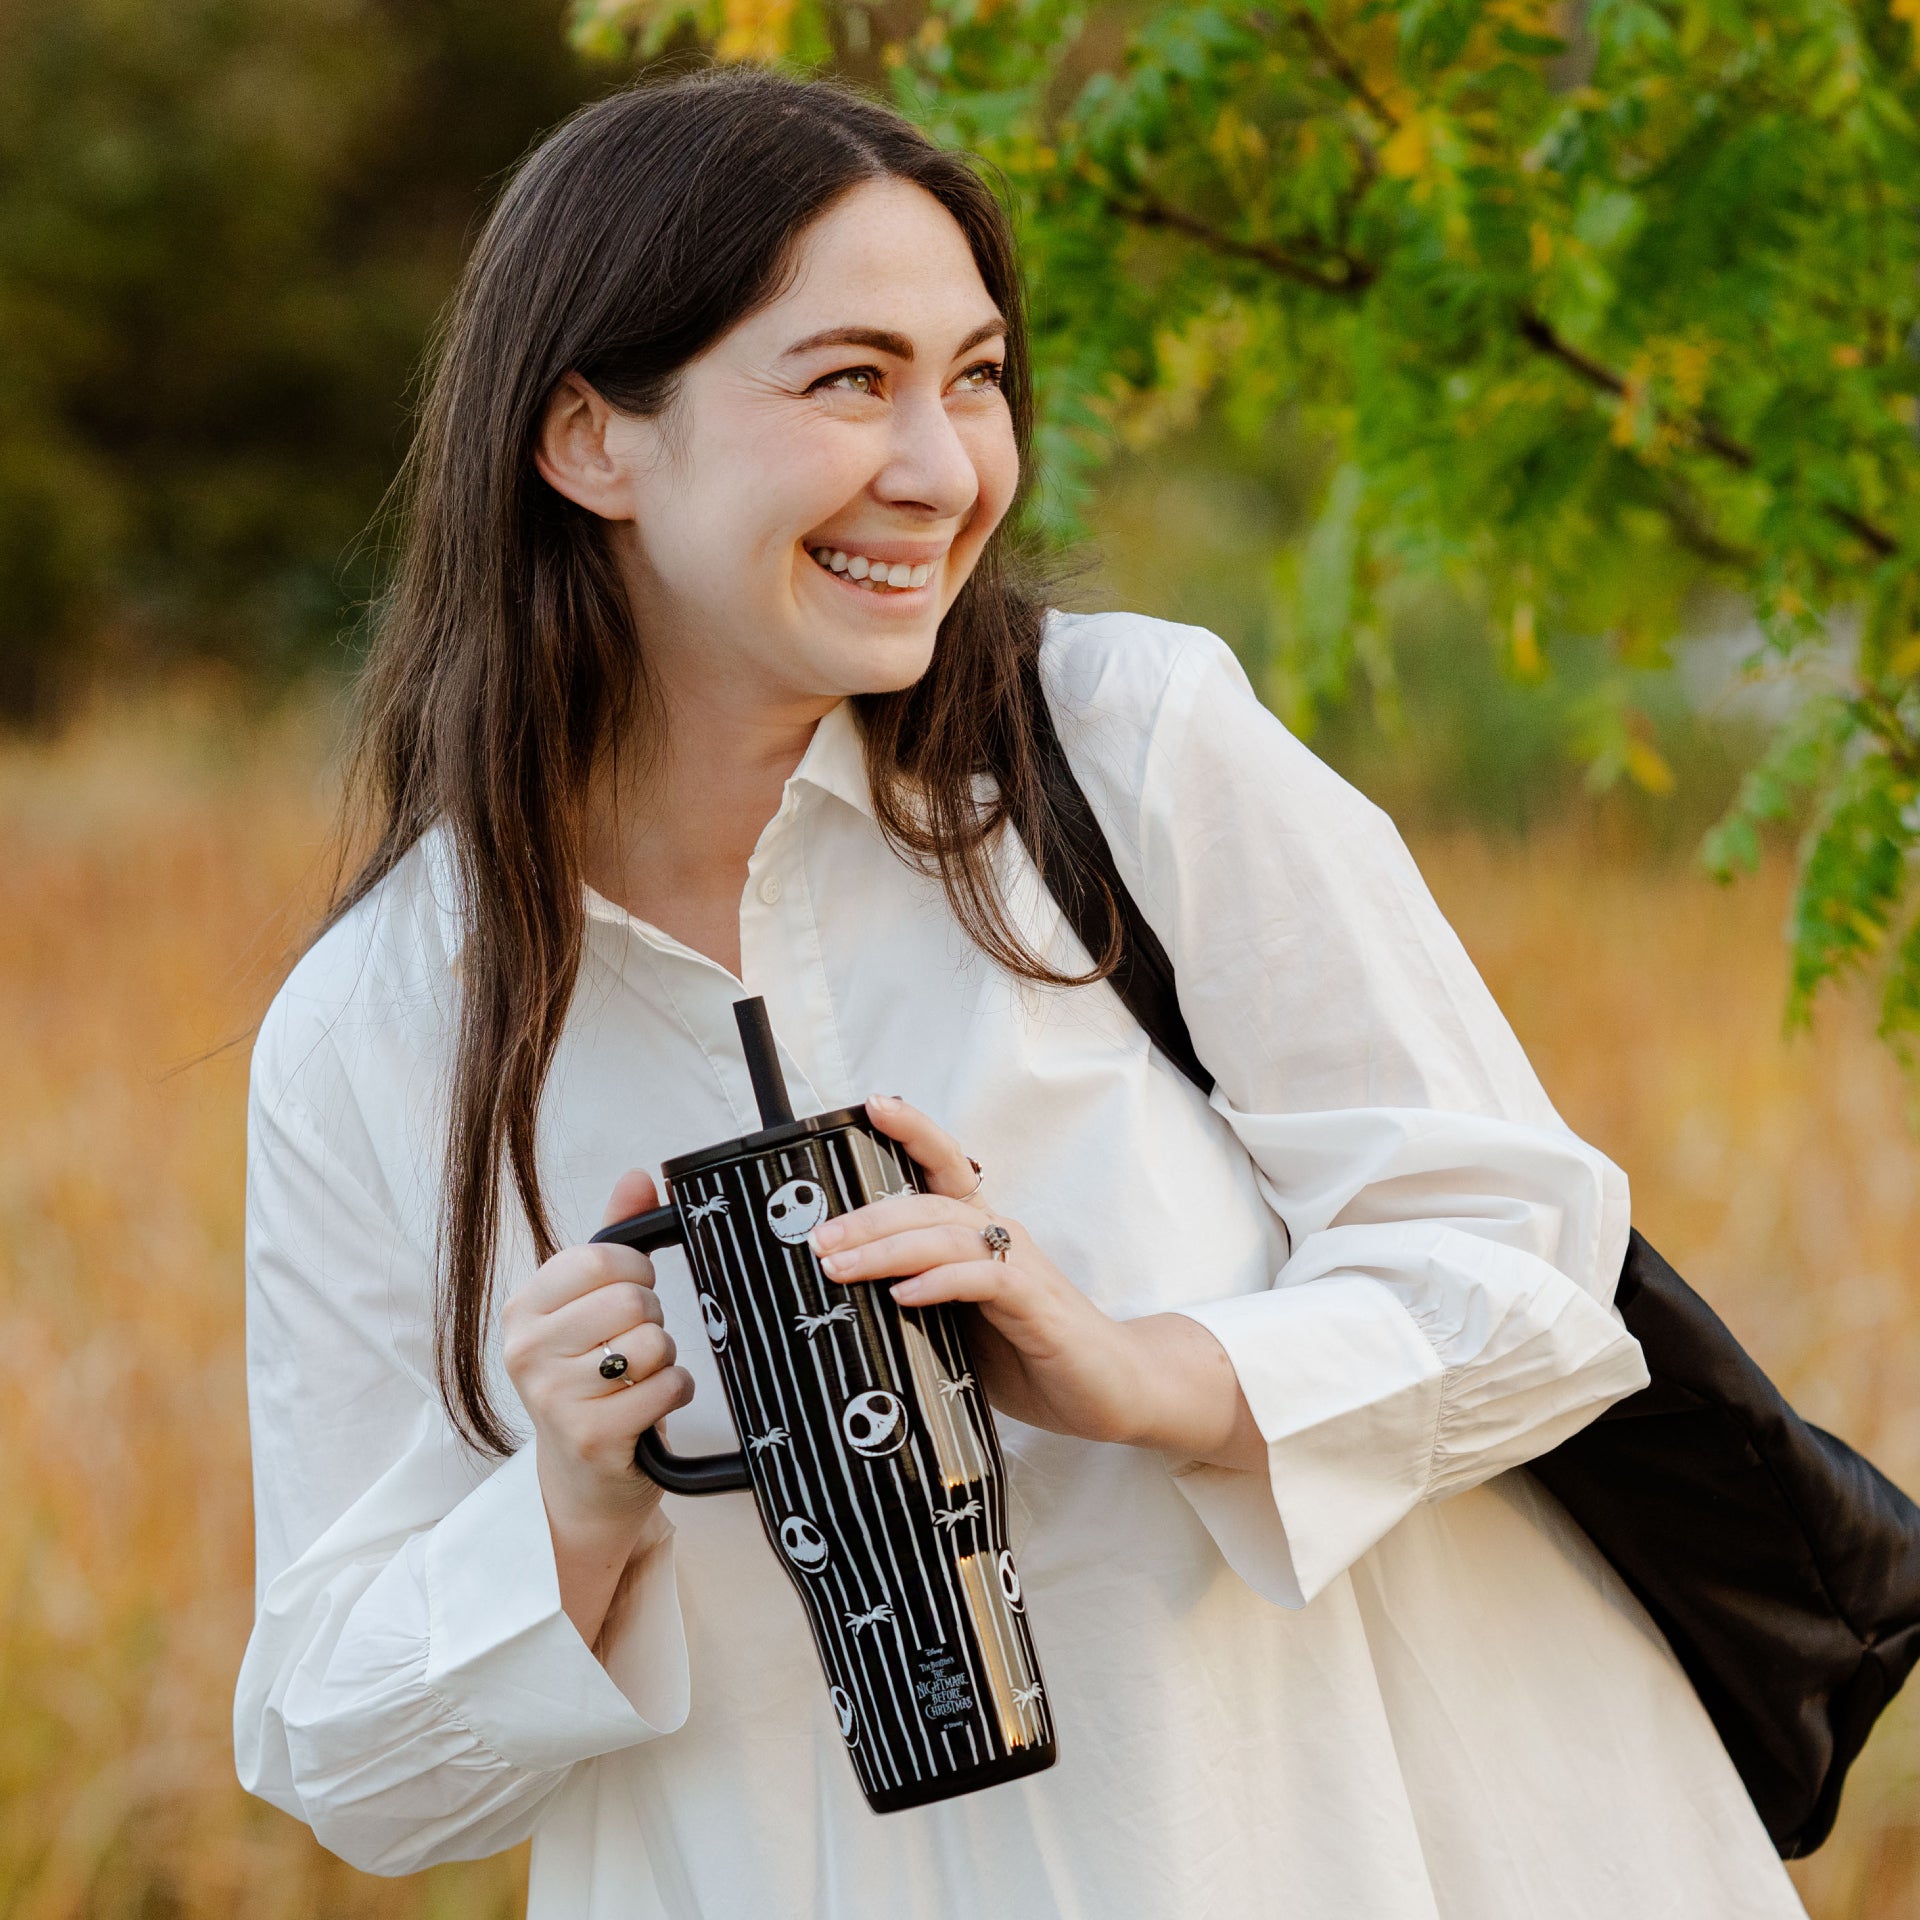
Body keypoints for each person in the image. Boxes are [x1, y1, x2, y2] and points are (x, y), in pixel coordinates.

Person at [233, 64, 1810, 1920]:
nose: (944, 466)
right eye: (848, 380)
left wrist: (1146, 1374)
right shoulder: (380, 1022)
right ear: (590, 437)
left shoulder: (1124, 751)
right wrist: (573, 1511)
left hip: (1348, 1846)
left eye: (973, 376)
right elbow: (343, 1754)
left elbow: (1532, 1272)